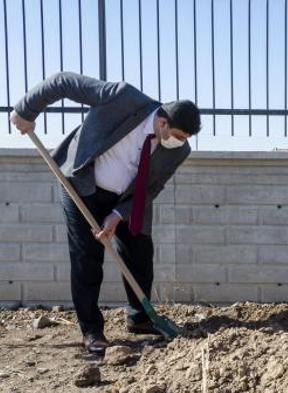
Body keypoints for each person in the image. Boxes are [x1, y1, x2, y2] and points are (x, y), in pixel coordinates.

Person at [10, 72, 201, 354]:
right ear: (162, 121)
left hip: (126, 199)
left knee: (139, 250)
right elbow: (63, 82)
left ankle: (141, 318)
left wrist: (117, 214)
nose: (178, 142)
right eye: (176, 135)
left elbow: (151, 189)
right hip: (81, 183)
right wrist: (26, 110)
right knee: (87, 257)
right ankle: (92, 331)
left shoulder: (178, 151)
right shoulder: (122, 97)